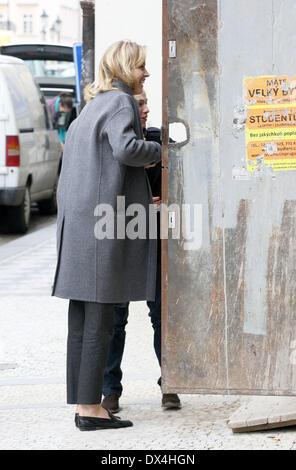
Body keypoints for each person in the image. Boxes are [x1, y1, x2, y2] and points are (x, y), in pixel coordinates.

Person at [51, 40, 161, 431]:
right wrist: (163, 149)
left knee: (82, 320)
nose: (146, 73)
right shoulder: (121, 102)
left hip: (78, 225)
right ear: (125, 67)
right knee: (99, 319)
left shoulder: (91, 107)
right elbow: (127, 149)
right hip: (101, 224)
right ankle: (91, 409)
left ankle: (85, 404)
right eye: (141, 66)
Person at [101, 90, 181, 412]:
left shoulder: (158, 141)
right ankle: (110, 390)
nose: (146, 110)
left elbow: (183, 182)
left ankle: (170, 383)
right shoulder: (110, 143)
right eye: (140, 105)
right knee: (116, 317)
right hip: (120, 235)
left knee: (161, 314)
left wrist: (167, 198)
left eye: (147, 103)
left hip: (156, 236)